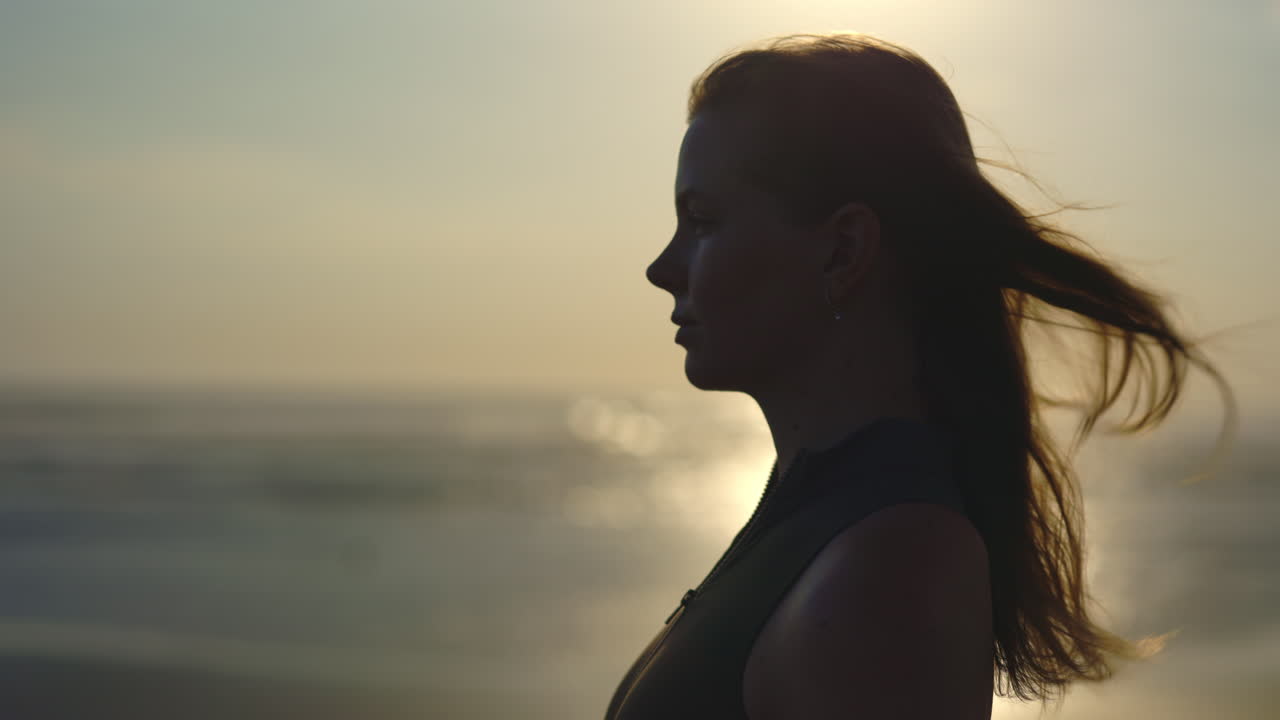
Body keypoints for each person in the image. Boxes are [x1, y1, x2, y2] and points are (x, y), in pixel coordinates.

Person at [614, 32, 1238, 719]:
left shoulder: (889, 567)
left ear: (843, 251)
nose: (662, 269)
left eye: (702, 221)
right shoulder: (829, 518)